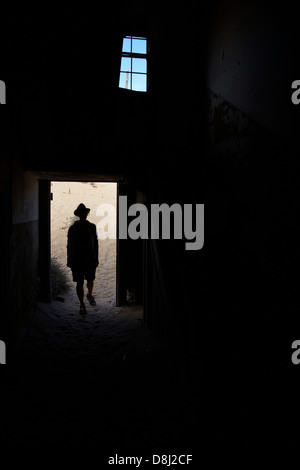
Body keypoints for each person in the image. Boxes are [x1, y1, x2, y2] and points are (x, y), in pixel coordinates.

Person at [67, 203, 99, 314]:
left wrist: (96, 258)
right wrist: (69, 259)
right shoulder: (73, 229)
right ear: (79, 214)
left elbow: (95, 243)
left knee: (90, 279)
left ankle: (89, 295)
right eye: (82, 213)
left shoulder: (92, 227)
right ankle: (82, 303)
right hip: (77, 260)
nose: (84, 215)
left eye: (85, 213)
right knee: (79, 282)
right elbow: (69, 245)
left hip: (89, 258)